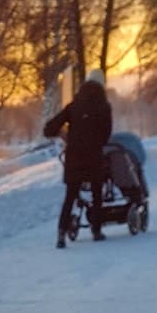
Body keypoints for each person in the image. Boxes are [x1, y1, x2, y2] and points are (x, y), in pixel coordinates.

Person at [44, 69, 113, 248]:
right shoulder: (104, 108)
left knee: (70, 196)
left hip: (74, 158)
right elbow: (106, 137)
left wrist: (64, 134)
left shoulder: (73, 106)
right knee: (97, 193)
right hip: (93, 158)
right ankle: (96, 231)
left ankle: (61, 233)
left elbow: (48, 129)